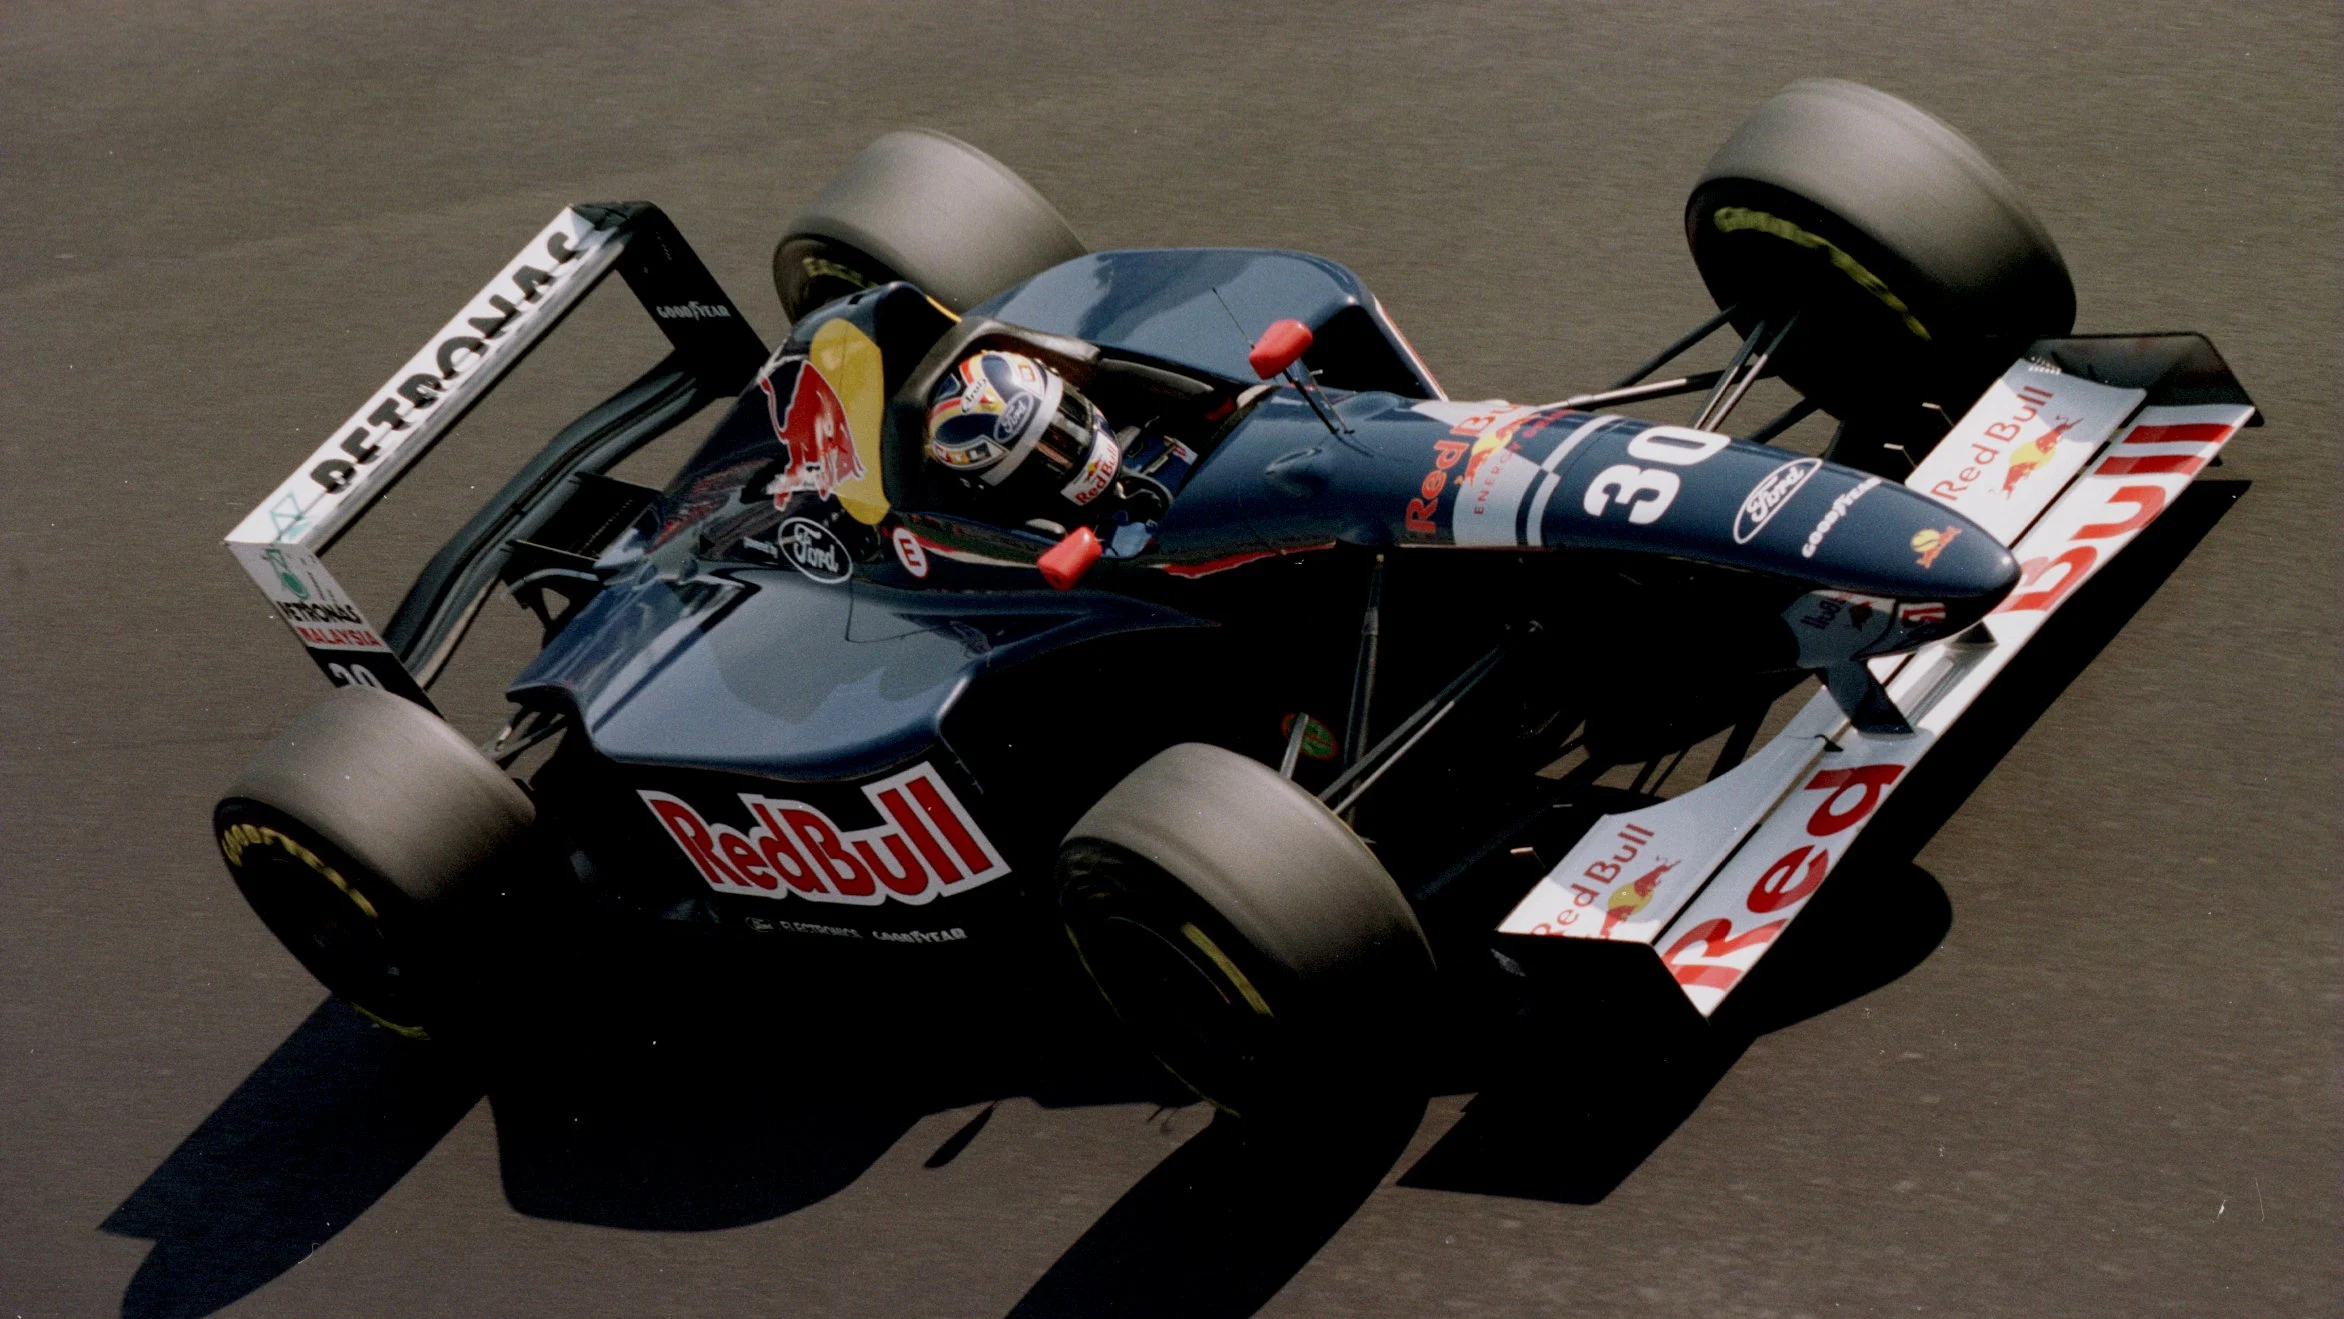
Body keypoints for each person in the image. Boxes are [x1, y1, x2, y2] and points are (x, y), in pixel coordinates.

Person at [924, 350, 1167, 531]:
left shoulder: (1151, 428)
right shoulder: (1049, 532)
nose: (1063, 448)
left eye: (1064, 419)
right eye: (1039, 459)